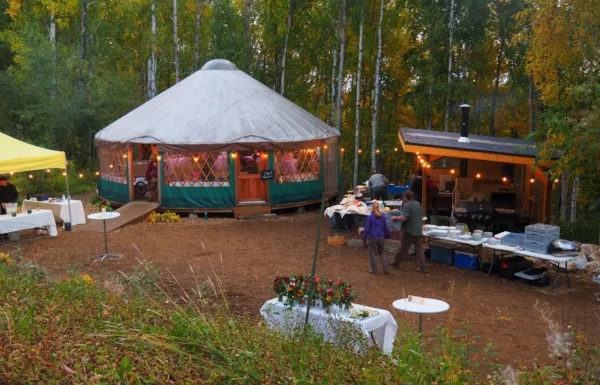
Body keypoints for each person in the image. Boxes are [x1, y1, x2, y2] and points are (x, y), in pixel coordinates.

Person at [391, 190, 427, 273]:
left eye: (403, 197)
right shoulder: (417, 204)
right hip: (418, 230)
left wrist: (395, 218)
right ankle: (423, 267)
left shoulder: (407, 205)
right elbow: (421, 215)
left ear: (406, 197)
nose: (403, 199)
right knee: (419, 249)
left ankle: (396, 262)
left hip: (409, 230)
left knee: (403, 247)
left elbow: (404, 218)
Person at [361, 201, 391, 275]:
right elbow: (386, 228)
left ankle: (374, 270)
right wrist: (387, 236)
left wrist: (364, 238)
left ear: (372, 208)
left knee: (373, 253)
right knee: (382, 252)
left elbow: (367, 229)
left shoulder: (370, 217)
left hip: (372, 237)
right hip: (381, 237)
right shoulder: (383, 217)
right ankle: (385, 269)